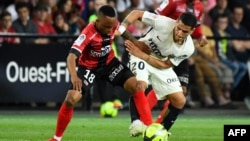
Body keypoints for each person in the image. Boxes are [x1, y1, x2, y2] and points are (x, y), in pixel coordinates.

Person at [47, 5, 152, 141]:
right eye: (107, 27)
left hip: (109, 64)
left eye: (111, 26)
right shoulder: (88, 33)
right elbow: (71, 56)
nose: (110, 30)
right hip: (88, 69)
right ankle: (56, 138)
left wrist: (136, 43)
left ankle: (150, 128)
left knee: (137, 86)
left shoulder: (113, 24)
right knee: (71, 99)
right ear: (98, 22)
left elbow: (122, 30)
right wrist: (74, 77)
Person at [117, 10, 197, 136]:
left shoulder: (188, 48)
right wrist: (122, 28)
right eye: (178, 28)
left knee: (180, 100)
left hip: (157, 62)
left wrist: (144, 55)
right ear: (176, 22)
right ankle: (136, 123)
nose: (180, 33)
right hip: (139, 55)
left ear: (192, 31)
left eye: (185, 31)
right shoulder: (164, 22)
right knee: (140, 85)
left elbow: (166, 65)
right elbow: (137, 13)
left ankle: (161, 132)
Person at [147, 0, 207, 124]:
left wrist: (201, 36)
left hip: (180, 51)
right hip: (163, 48)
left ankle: (158, 124)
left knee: (182, 89)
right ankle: (143, 113)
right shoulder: (173, 2)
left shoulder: (199, 6)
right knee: (159, 85)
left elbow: (196, 26)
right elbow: (156, 17)